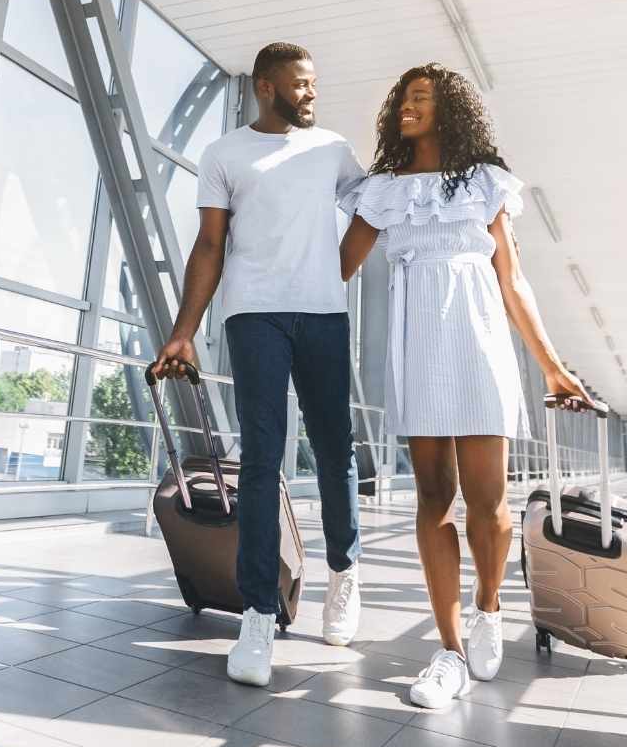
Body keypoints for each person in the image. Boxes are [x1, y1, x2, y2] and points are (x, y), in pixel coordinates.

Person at [338, 63, 596, 710]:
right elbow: (337, 266)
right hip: (416, 343)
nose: (405, 106)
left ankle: (488, 605)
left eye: (420, 98)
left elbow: (513, 281)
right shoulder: (385, 190)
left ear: (449, 110)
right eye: (401, 97)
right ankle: (449, 650)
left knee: (489, 503)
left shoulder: (484, 184)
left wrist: (553, 365)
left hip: (479, 341)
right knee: (432, 497)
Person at [150, 41, 366, 688]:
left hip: (324, 317)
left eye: (314, 84)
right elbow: (209, 244)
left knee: (335, 450)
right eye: (301, 84)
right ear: (267, 86)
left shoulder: (332, 149)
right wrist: (184, 331)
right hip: (253, 317)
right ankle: (258, 614)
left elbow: (374, 211)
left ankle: (344, 577)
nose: (312, 93)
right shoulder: (224, 154)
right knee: (262, 457)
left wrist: (336, 273)